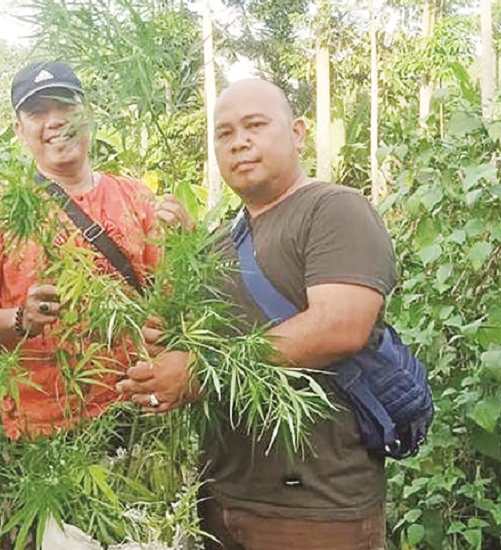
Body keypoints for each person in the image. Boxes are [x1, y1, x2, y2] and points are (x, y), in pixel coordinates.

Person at [117, 78, 398, 550]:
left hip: (314, 510)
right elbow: (202, 346)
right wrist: (165, 352)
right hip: (222, 499)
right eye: (224, 133)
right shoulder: (223, 241)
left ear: (298, 132)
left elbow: (340, 326)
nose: (239, 141)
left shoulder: (334, 210)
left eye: (255, 125)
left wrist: (200, 373)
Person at [0, 60, 190, 440]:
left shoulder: (136, 197)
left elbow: (172, 299)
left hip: (138, 413)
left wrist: (187, 244)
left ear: (86, 114)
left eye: (66, 105)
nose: (55, 121)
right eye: (38, 112)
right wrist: (19, 319)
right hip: (47, 431)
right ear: (19, 129)